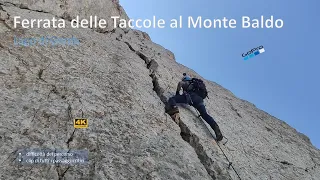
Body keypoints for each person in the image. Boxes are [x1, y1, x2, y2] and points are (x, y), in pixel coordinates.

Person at [166, 73, 223, 141]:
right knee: (204, 114)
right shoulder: (196, 86)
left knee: (172, 99)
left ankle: (175, 113)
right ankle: (216, 129)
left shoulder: (187, 82)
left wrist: (177, 93)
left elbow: (180, 83)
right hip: (200, 101)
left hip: (191, 97)